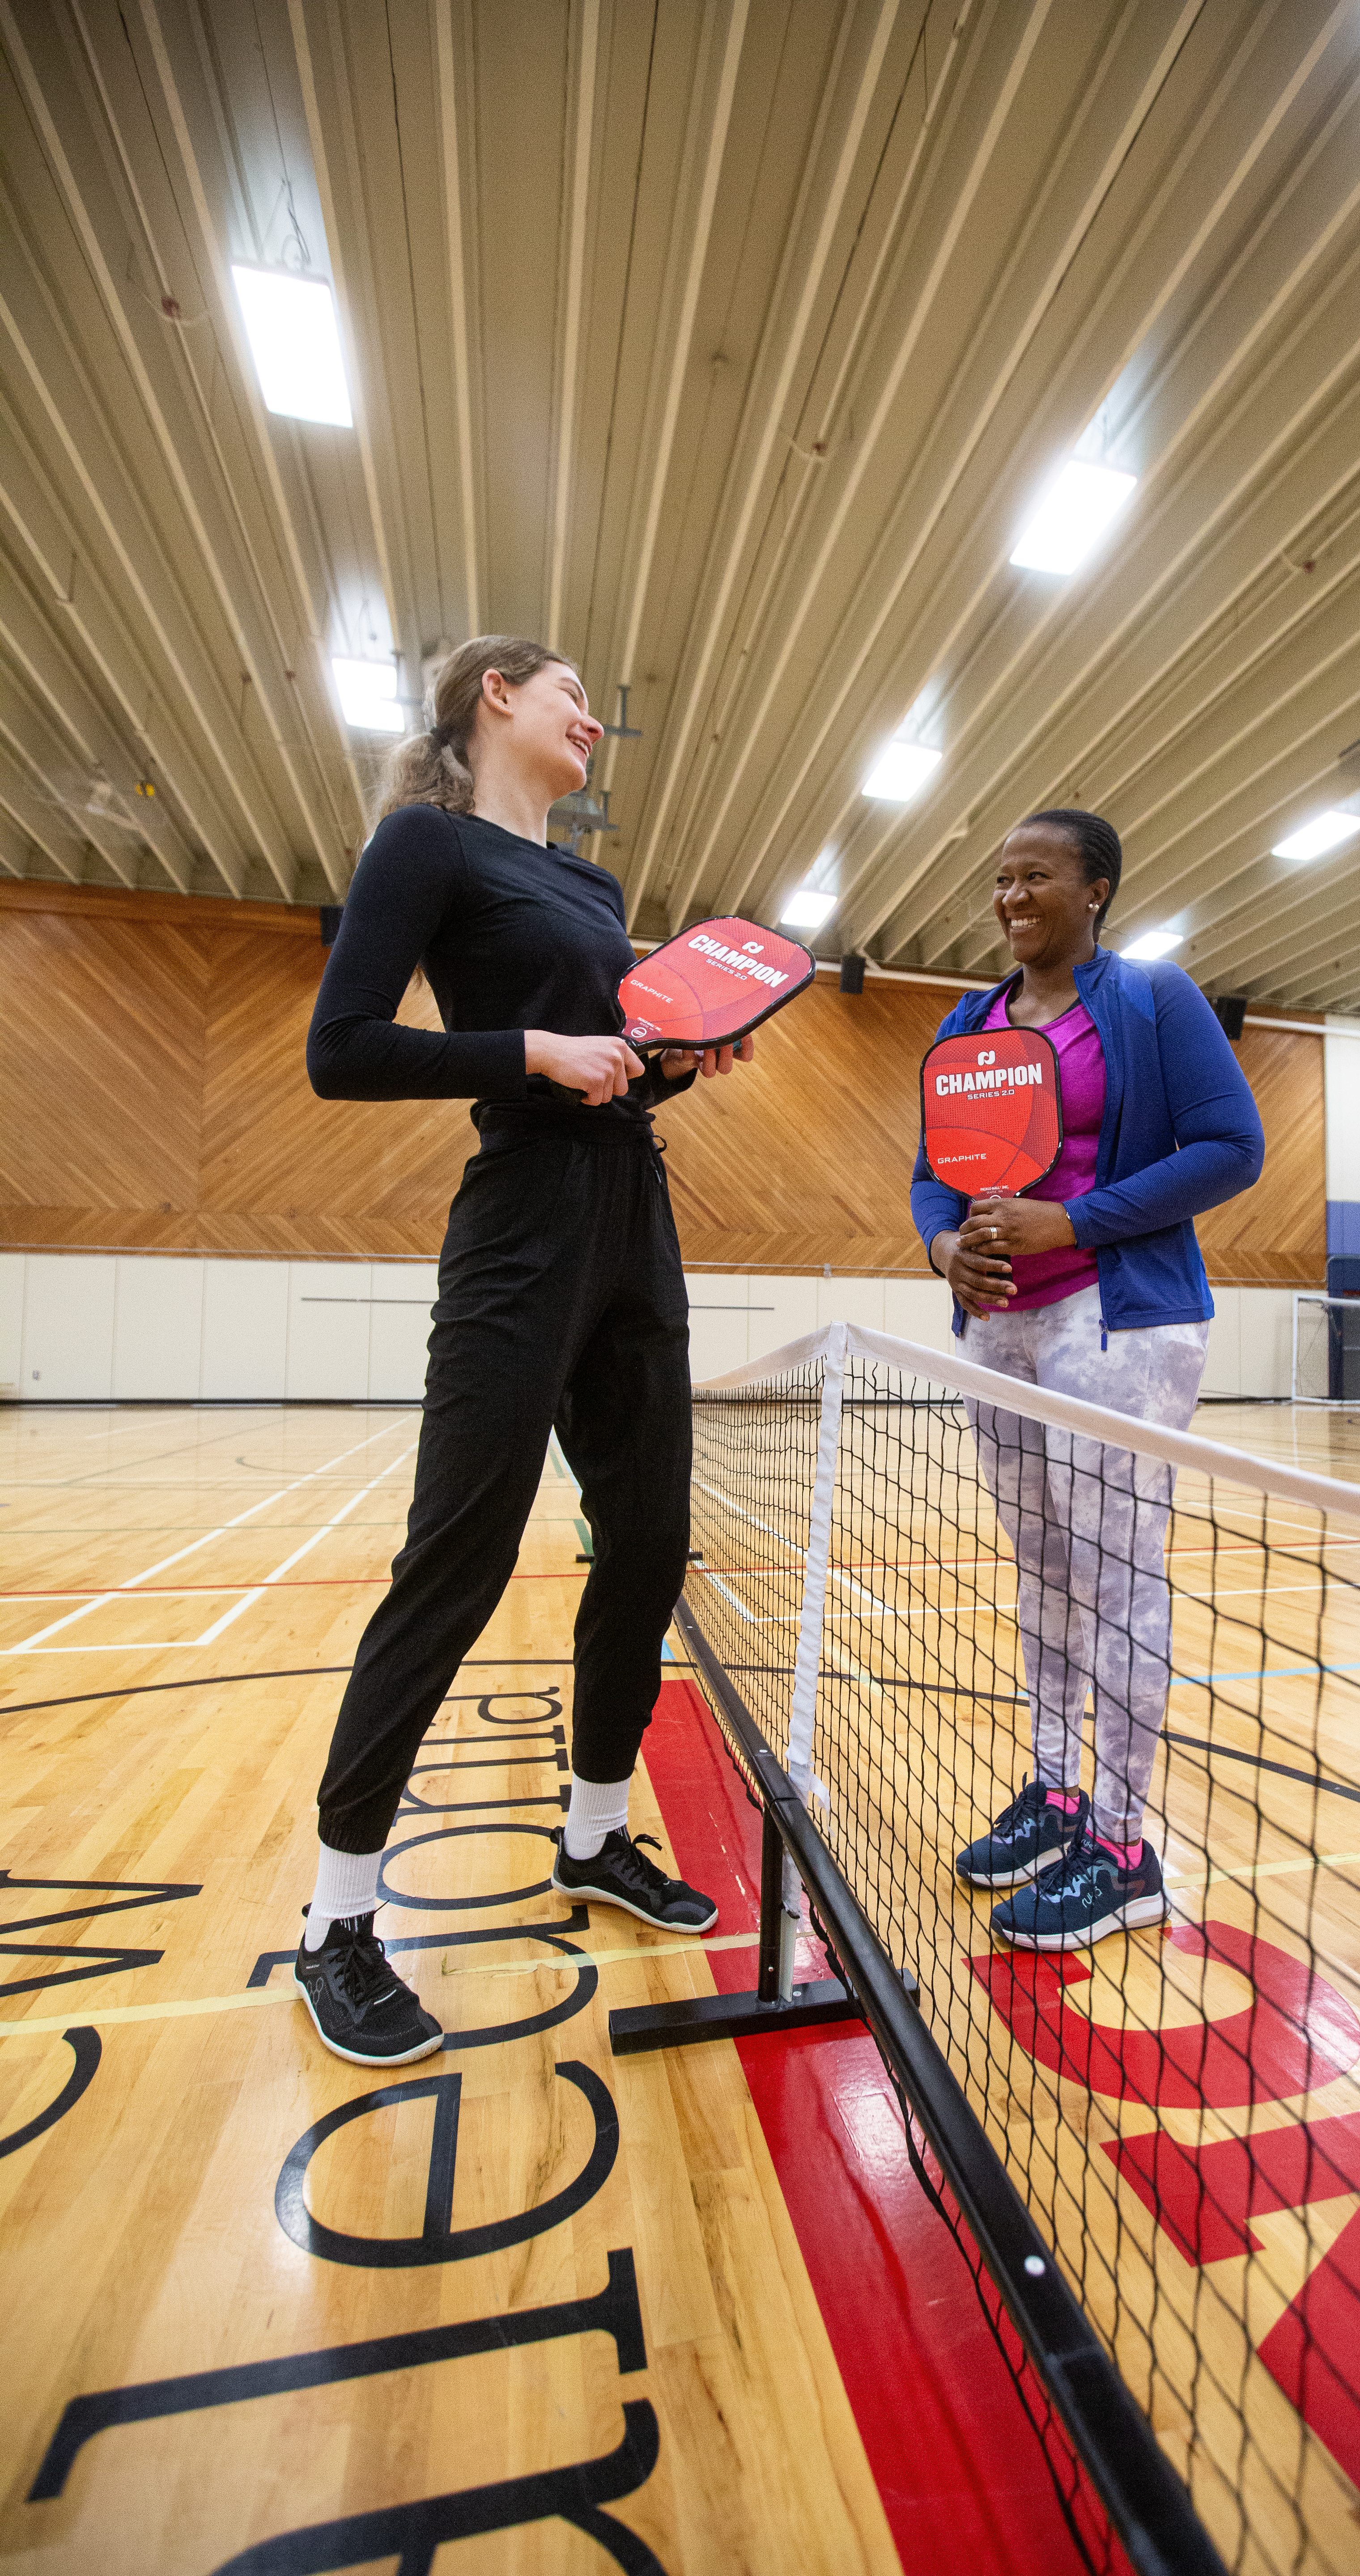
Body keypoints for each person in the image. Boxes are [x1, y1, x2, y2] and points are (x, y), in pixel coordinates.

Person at [296, 635, 750, 2067]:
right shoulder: (424, 845)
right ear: (497, 695)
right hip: (522, 1223)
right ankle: (338, 1923)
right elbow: (344, 1048)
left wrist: (673, 1055)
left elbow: (620, 1038)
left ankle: (597, 1834)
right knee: (460, 1557)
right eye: (573, 695)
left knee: (648, 1547)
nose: (595, 718)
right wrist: (534, 1055)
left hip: (636, 1209)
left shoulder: (600, 888)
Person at [910, 809, 1264, 1953]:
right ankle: (1058, 1795)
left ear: (1096, 888)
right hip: (997, 1329)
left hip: (1118, 1323)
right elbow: (933, 1175)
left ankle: (1122, 1847)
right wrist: (940, 1250)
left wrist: (1074, 1216)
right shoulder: (970, 1024)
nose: (1012, 895)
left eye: (1038, 876)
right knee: (1045, 1571)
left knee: (1116, 1577)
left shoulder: (1154, 1001)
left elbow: (1229, 1147)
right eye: (1001, 879)